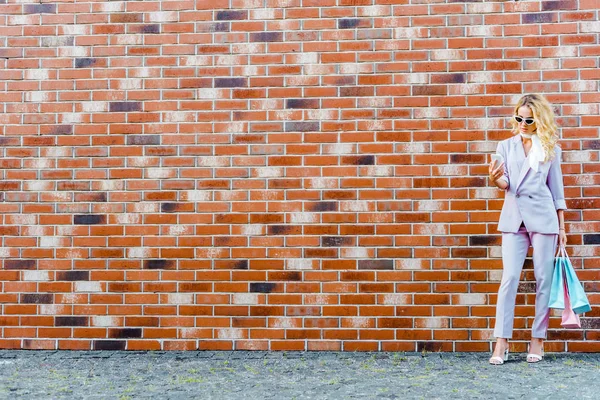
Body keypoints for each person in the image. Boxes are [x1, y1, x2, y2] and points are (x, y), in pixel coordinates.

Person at [487, 94, 567, 364]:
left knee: (544, 279)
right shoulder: (505, 146)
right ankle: (501, 342)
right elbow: (505, 182)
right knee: (509, 278)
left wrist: (562, 227)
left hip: (544, 219)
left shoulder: (550, 148)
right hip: (514, 219)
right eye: (519, 117)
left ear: (539, 120)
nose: (522, 123)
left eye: (529, 119)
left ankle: (537, 339)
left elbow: (557, 191)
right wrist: (496, 179)